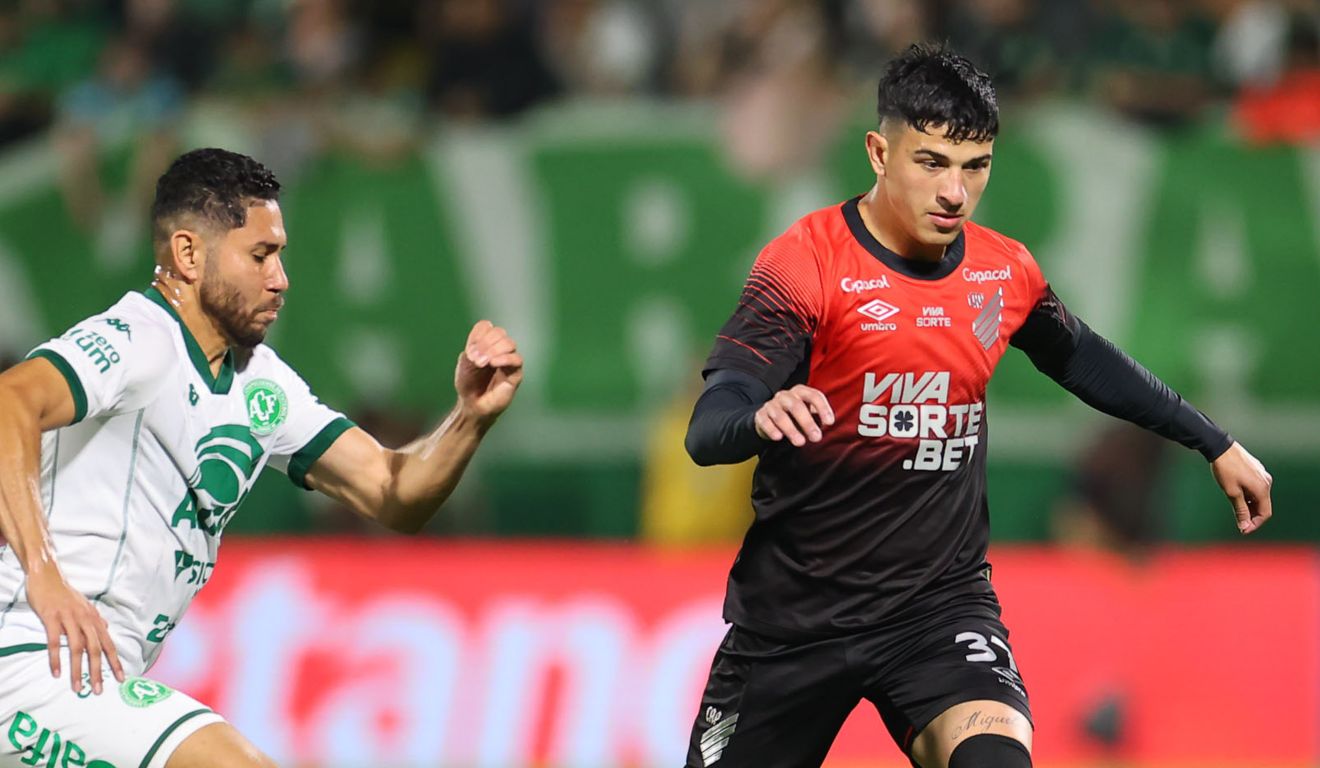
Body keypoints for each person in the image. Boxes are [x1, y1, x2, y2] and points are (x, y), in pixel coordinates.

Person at [682, 43, 1272, 768]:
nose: (955, 193)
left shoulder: (1002, 270)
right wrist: (756, 417)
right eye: (931, 162)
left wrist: (1212, 441)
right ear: (878, 151)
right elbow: (711, 425)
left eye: (975, 166)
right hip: (793, 624)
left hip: (938, 613)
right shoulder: (806, 265)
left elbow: (1084, 358)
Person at [0, 148, 523, 767]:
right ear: (189, 255)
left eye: (279, 254)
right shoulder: (140, 338)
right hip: (33, 660)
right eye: (260, 256)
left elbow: (393, 492)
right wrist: (43, 571)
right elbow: (11, 400)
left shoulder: (262, 387)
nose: (280, 279)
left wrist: (469, 417)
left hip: (99, 674)